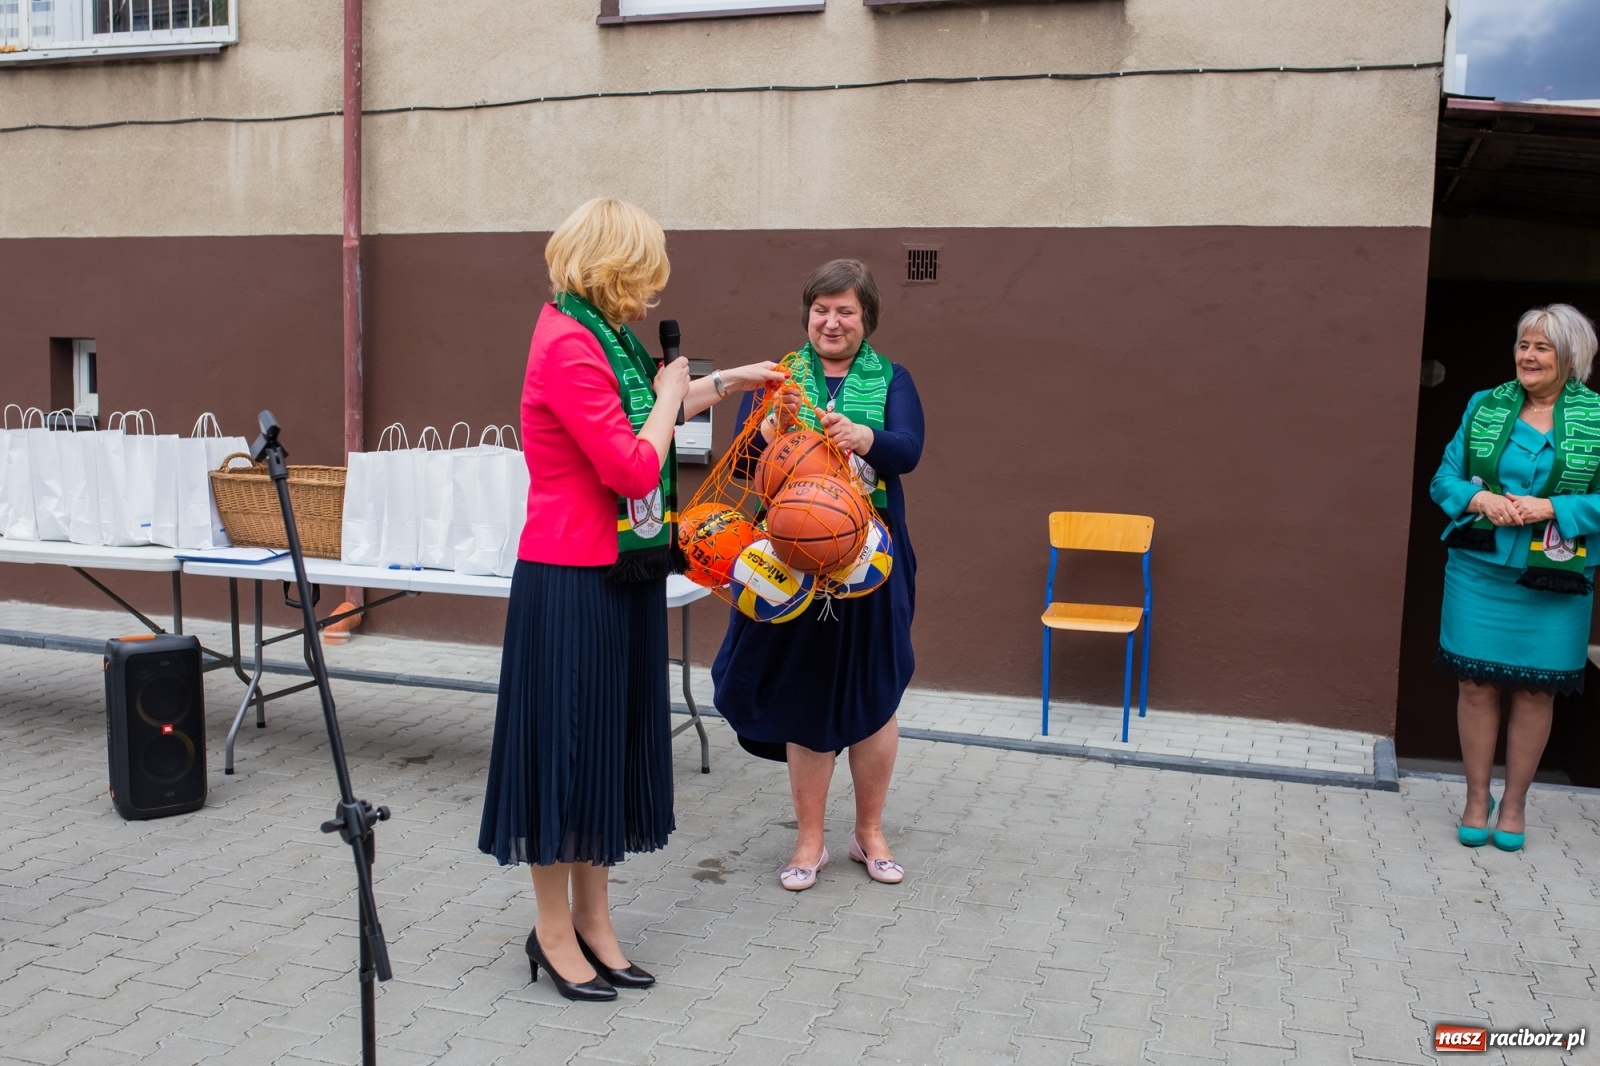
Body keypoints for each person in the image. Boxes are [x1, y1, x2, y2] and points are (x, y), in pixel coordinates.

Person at [477, 197, 786, 1000]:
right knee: (564, 755)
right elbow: (632, 464)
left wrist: (730, 382)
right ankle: (552, 933)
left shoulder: (605, 338)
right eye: (643, 276)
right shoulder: (566, 344)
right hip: (572, 580)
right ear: (611, 269)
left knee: (605, 750)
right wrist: (666, 395)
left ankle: (596, 923)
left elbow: (645, 413)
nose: (650, 296)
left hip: (621, 576)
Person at [713, 258, 924, 891]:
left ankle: (870, 833)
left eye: (846, 311)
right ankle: (810, 841)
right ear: (808, 313)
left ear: (867, 319)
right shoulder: (777, 380)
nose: (831, 322)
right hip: (791, 558)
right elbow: (745, 464)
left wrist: (865, 435)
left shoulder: (893, 378)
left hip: (872, 559)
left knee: (875, 692)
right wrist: (767, 430)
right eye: (821, 309)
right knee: (806, 693)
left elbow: (908, 451)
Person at [1430, 303, 1600, 853]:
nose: (1528, 356)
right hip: (1479, 568)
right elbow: (1445, 480)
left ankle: (1516, 803)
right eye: (1523, 345)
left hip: (1556, 577)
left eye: (1542, 347)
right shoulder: (1486, 405)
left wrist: (1554, 509)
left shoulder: (1597, 418)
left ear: (1569, 357)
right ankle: (1476, 798)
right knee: (1476, 686)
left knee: (1534, 691)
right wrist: (1477, 497)